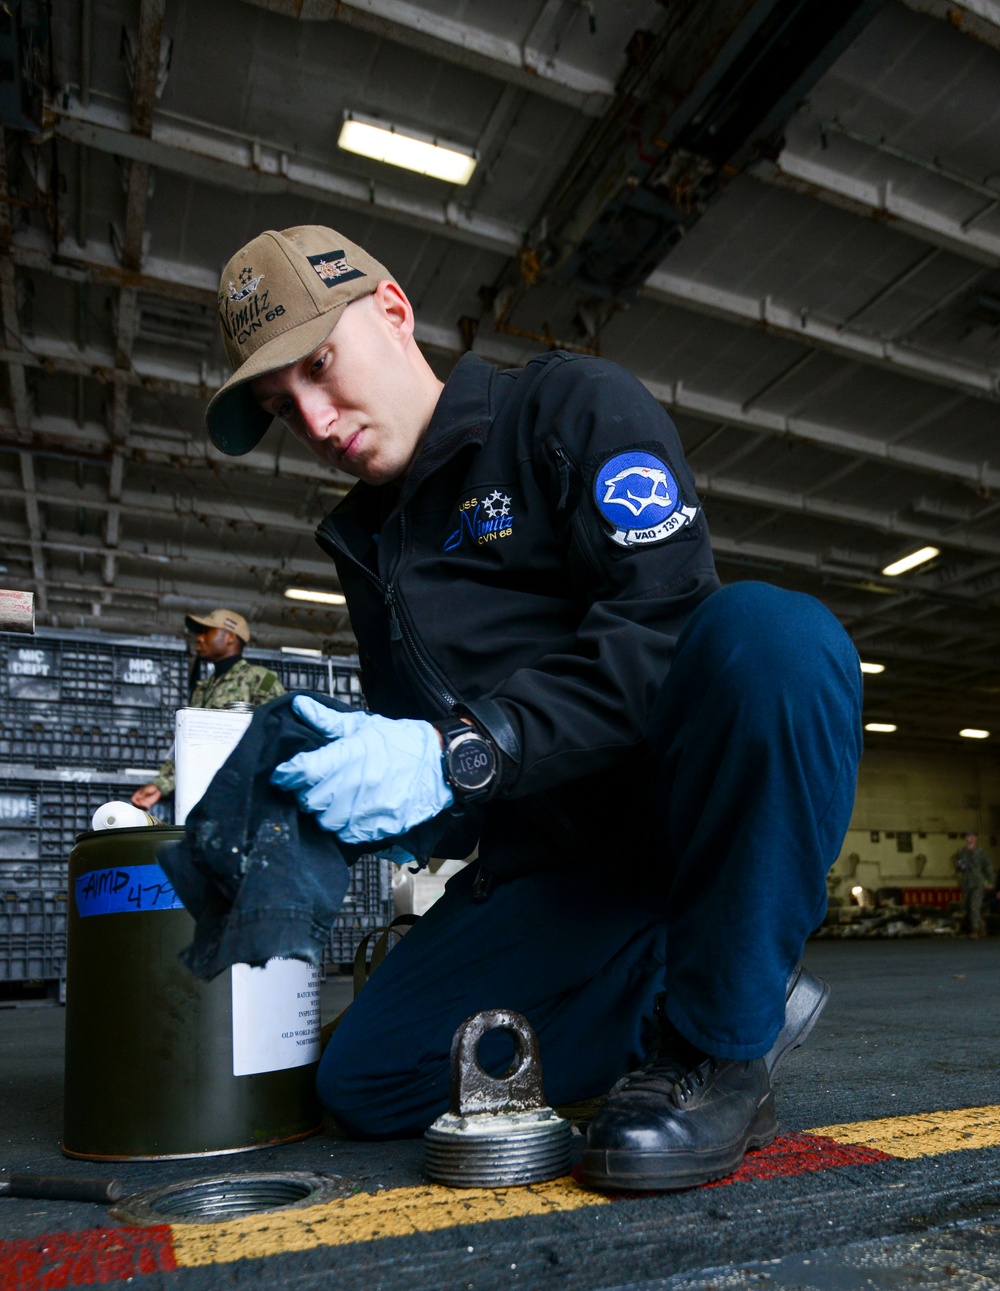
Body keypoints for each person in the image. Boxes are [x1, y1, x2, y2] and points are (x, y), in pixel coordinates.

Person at [203, 224, 862, 1192]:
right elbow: (449, 774)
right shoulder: (368, 541)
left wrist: (462, 752)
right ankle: (719, 990)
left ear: (391, 312)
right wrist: (350, 800)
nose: (312, 415)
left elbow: (661, 622)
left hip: (682, 828)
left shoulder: (566, 407)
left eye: (317, 366)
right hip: (556, 867)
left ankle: (718, 1047)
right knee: (370, 1084)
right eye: (279, 402)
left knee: (772, 635)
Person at [130, 609, 284, 811]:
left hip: (245, 795)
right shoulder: (202, 689)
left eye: (207, 632)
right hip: (202, 793)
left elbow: (279, 736)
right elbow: (188, 747)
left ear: (230, 637)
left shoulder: (262, 679)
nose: (199, 639)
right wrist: (161, 785)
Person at [954, 831, 994, 938]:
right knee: (967, 907)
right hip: (966, 882)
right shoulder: (961, 852)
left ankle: (975, 930)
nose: (971, 838)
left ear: (975, 839)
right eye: (969, 836)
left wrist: (991, 881)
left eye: (973, 836)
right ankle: (981, 924)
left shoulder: (981, 852)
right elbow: (958, 866)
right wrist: (960, 866)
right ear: (966, 838)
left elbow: (988, 867)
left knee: (974, 906)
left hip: (978, 882)